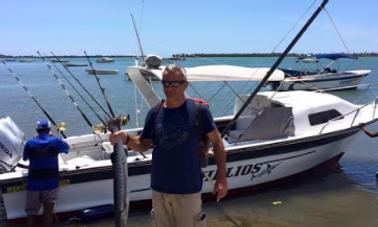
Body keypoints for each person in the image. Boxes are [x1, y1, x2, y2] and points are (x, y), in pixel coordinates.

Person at [110, 64, 228, 227]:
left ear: (185, 84)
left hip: (188, 190)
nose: (169, 88)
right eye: (165, 83)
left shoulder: (199, 111)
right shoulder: (155, 113)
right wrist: (127, 139)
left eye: (174, 83)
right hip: (159, 189)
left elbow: (217, 142)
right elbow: (144, 144)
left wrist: (221, 178)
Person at [23, 119, 69, 227]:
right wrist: (53, 138)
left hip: (33, 185)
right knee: (48, 215)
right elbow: (67, 149)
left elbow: (25, 158)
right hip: (50, 184)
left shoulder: (30, 143)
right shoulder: (56, 141)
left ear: (37, 130)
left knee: (31, 214)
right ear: (49, 130)